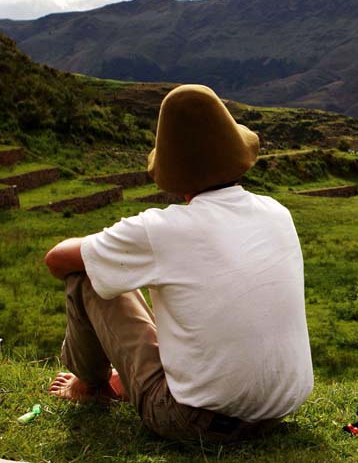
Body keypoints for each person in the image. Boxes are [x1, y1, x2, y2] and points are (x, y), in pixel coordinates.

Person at [44, 84, 313, 441]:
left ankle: (90, 385)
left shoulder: (161, 229)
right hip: (278, 411)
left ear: (173, 172)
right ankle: (128, 380)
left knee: (87, 274)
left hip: (194, 422)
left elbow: (57, 260)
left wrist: (104, 249)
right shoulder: (277, 212)